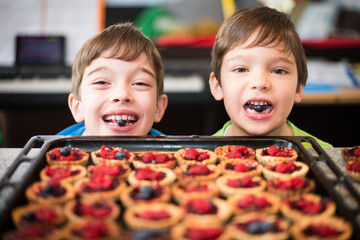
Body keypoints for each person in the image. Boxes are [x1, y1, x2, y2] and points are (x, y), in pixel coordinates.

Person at [209, 7, 332, 148]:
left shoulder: (326, 155)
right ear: (218, 86)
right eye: (241, 69)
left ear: (298, 88)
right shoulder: (199, 161)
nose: (260, 82)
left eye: (278, 71)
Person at [57, 22, 168, 136]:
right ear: (77, 108)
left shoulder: (173, 152)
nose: (121, 95)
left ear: (158, 108)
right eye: (101, 82)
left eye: (140, 83)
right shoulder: (54, 150)